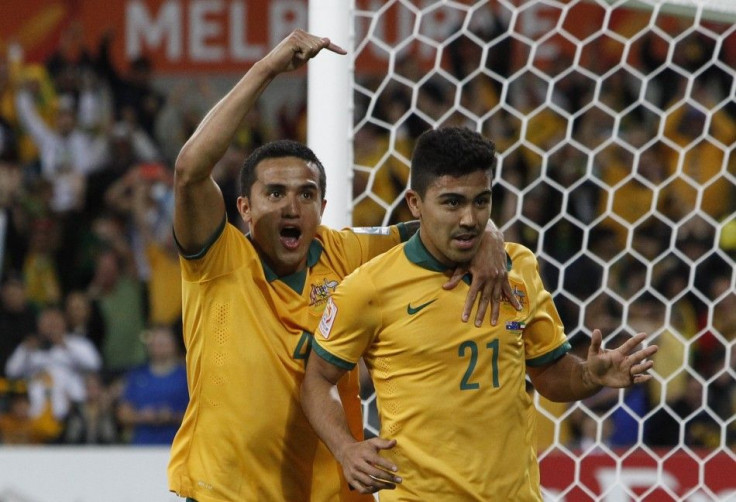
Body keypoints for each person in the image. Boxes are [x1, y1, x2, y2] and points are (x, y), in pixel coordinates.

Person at [167, 30, 517, 502]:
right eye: (275, 194)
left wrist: (489, 236)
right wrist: (268, 69)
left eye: (306, 195)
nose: (292, 207)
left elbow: (443, 224)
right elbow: (190, 169)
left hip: (333, 492)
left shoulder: (346, 252)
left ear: (323, 205)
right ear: (244, 209)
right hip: (227, 493)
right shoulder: (217, 258)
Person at [300, 126, 659, 500]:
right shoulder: (369, 287)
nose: (470, 219)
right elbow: (317, 380)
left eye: (481, 201)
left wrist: (589, 374)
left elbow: (550, 376)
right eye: (452, 203)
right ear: (415, 204)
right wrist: (345, 448)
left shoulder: (517, 267)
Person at [117, 325, 188, 445]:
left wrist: (172, 417)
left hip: (178, 446)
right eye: (155, 343)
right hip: (142, 446)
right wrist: (142, 417)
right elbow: (123, 414)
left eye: (163, 343)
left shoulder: (186, 376)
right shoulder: (137, 375)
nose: (159, 348)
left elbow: (201, 415)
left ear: (174, 345)